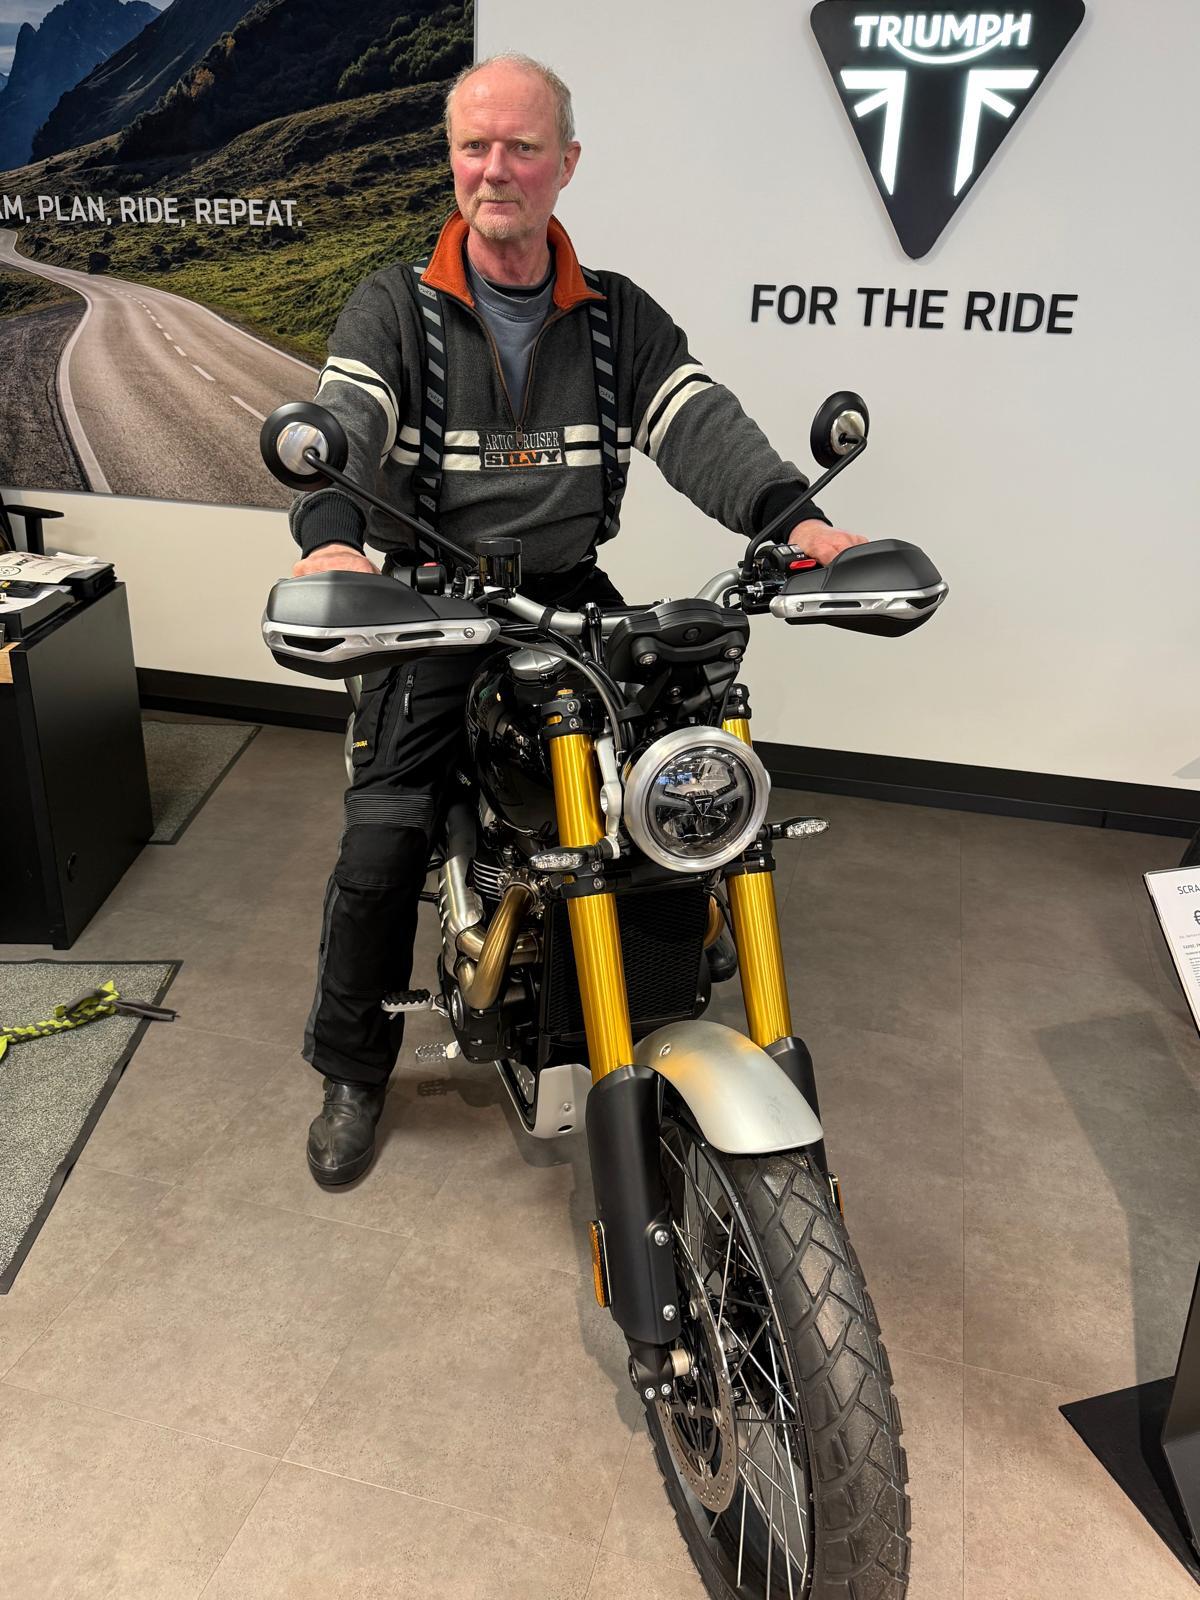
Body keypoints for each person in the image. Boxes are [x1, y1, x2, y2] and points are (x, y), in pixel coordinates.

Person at [289, 53, 868, 1186]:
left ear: (566, 163)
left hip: (569, 594)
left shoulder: (616, 317)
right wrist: (332, 537)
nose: (495, 169)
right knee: (384, 836)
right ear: (452, 160)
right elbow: (345, 418)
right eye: (474, 147)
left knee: (673, 785)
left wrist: (796, 521)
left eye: (521, 147)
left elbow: (702, 428)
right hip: (433, 597)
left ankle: (653, 971)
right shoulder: (396, 305)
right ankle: (352, 1065)